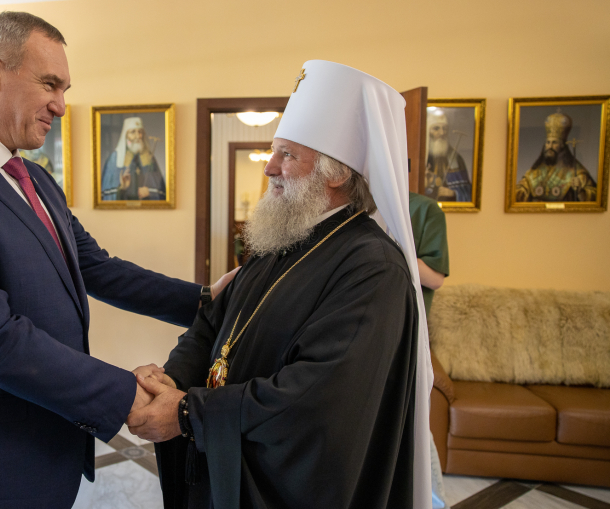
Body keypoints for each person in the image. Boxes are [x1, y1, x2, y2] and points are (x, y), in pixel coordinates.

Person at [0, 12, 236, 509]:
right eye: (49, 84)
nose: (62, 106)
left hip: (46, 443)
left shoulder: (38, 180)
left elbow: (97, 267)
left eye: (65, 89)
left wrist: (203, 300)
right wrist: (126, 395)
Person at [127, 60, 433, 508]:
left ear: (337, 173)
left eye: (287, 154)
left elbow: (317, 394)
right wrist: (172, 377)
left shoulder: (374, 268)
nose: (269, 167)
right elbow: (211, 325)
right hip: (225, 455)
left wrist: (190, 413)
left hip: (289, 484)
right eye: (274, 152)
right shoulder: (281, 238)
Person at [409, 192, 451, 509]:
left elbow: (435, 278)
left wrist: (393, 247)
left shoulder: (425, 210)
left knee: (415, 426)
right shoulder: (355, 201)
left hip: (409, 334)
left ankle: (434, 503)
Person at [516, 111, 597, 202]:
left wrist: (580, 191)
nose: (550, 146)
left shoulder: (575, 170)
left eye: (554, 142)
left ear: (562, 145)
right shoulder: (535, 170)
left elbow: (594, 195)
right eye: (548, 142)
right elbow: (521, 190)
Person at [100, 116, 166, 201]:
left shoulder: (149, 157)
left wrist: (149, 192)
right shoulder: (115, 158)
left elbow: (161, 190)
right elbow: (107, 194)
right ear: (126, 136)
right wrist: (122, 189)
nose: (138, 136)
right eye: (133, 132)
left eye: (140, 132)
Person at [424, 109, 471, 202]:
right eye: (436, 128)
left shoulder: (456, 158)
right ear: (428, 131)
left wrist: (453, 193)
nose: (442, 133)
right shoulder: (421, 158)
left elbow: (468, 192)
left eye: (444, 128)